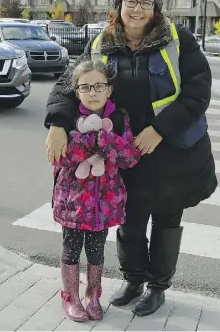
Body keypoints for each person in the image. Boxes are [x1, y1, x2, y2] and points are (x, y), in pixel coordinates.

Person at [45, 0, 217, 317]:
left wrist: (159, 130)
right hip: (124, 151)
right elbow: (69, 85)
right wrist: (56, 125)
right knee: (130, 219)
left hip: (173, 149)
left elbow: (198, 92)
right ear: (118, 6)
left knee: (167, 219)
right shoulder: (101, 44)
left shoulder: (177, 40)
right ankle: (133, 279)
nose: (138, 9)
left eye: (146, 2)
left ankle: (157, 286)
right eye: (131, 1)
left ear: (155, 9)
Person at [51, 59, 141, 322]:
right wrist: (92, 140)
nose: (93, 93)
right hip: (73, 199)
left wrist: (107, 140)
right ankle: (70, 295)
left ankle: (92, 294)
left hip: (105, 200)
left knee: (96, 250)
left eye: (99, 86)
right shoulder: (67, 118)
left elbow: (129, 156)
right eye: (85, 87)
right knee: (71, 248)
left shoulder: (118, 118)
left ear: (109, 90)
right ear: (76, 91)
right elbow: (61, 156)